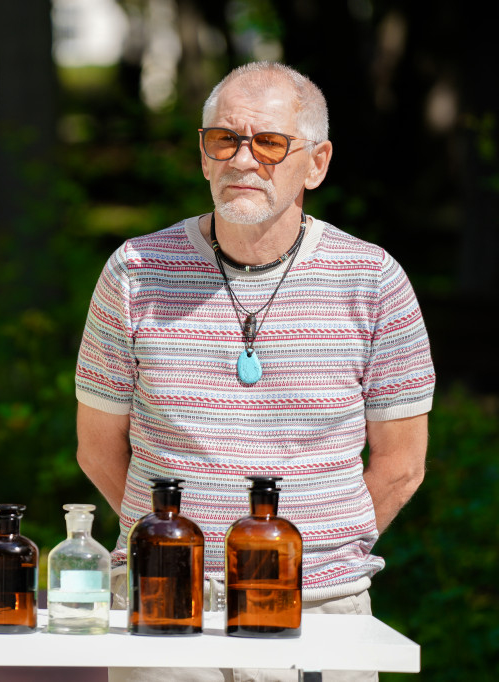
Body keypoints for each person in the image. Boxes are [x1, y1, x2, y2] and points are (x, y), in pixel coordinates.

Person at [75, 62, 434, 682]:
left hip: (320, 611)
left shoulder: (373, 280)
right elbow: (98, 449)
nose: (244, 159)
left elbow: (402, 465)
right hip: (164, 606)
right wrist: (177, 547)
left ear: (316, 164)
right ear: (204, 155)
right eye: (224, 139)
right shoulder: (135, 270)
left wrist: (312, 558)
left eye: (269, 142)